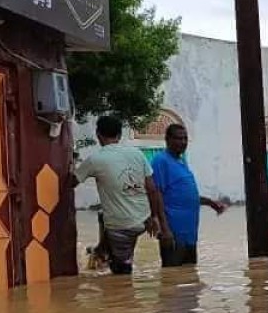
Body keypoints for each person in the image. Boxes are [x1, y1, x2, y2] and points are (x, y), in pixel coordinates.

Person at [72, 115, 165, 275]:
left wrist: (71, 165)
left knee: (121, 271)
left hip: (120, 226)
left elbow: (71, 183)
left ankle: (121, 285)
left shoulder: (95, 160)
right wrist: (155, 217)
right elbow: (152, 189)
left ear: (98, 135)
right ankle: (102, 250)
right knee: (102, 216)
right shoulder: (137, 154)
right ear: (120, 135)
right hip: (143, 220)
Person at [150, 123, 227, 267]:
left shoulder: (181, 161)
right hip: (173, 232)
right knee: (172, 278)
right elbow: (156, 194)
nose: (183, 142)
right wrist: (164, 228)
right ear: (167, 139)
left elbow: (184, 194)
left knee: (189, 276)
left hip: (190, 232)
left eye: (185, 139)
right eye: (179, 139)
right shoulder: (160, 161)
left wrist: (211, 203)